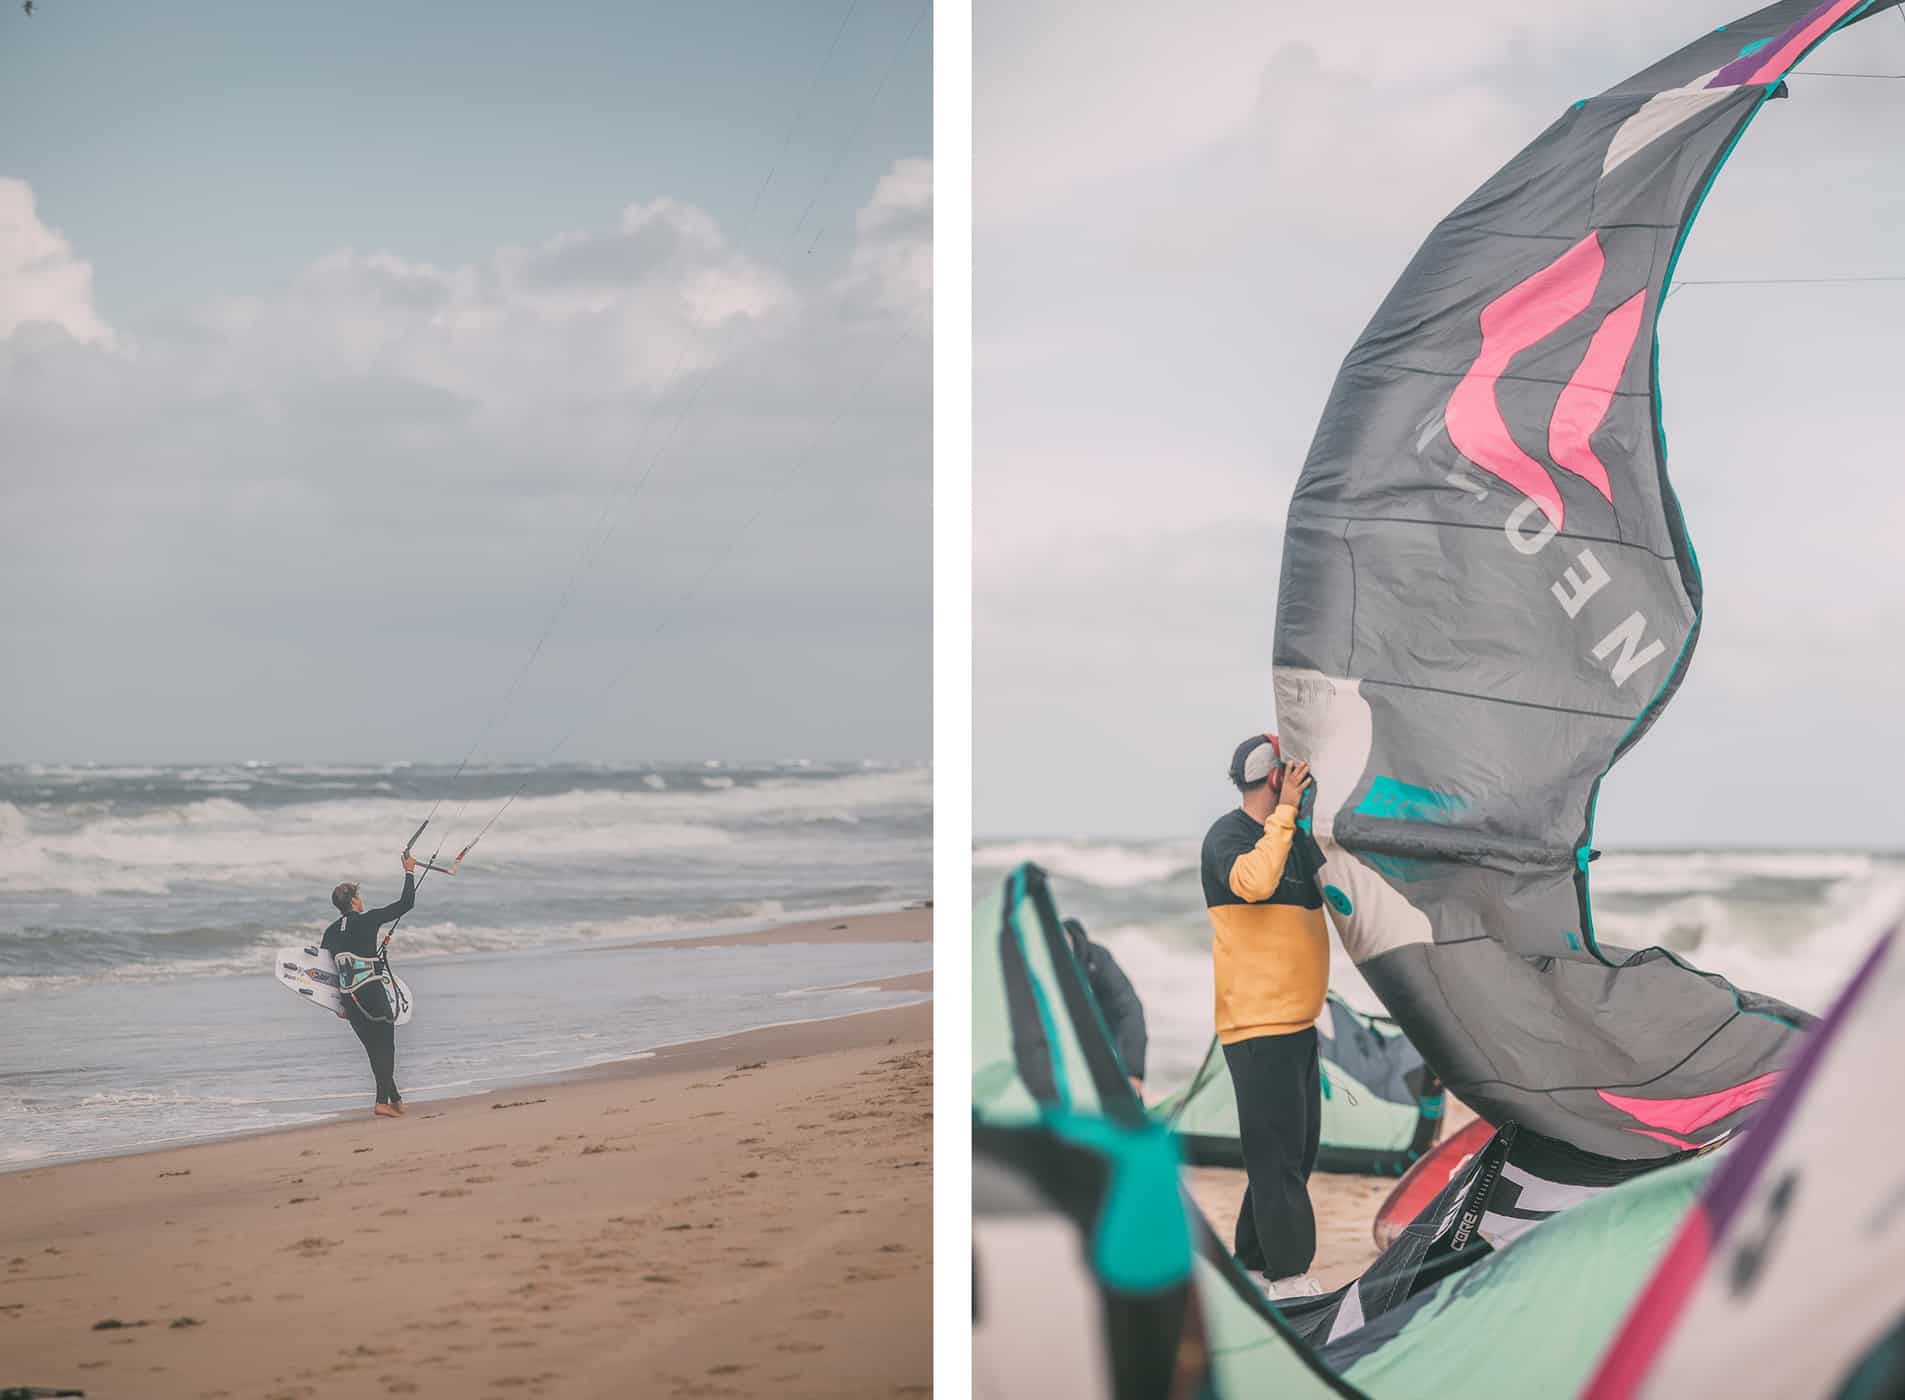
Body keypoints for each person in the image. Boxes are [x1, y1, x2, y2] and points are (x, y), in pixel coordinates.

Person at [1200, 733, 1328, 1299]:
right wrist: (1285, 817)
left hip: (1298, 1023)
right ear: (1276, 778)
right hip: (1257, 1025)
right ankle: (1291, 1279)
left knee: (1290, 1156)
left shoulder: (1291, 837)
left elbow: (1335, 890)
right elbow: (1253, 884)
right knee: (1277, 1160)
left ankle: (1251, 1266)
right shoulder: (1228, 837)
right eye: (1292, 773)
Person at [321, 852, 417, 1119]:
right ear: (354, 901)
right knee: (386, 1046)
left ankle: (394, 1098)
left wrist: (337, 1005)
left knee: (374, 1048)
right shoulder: (368, 919)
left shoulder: (329, 932)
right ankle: (380, 1102)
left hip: (349, 998)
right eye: (358, 897)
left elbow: (329, 971)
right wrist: (409, 871)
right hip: (371, 992)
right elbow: (406, 903)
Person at [1062, 917, 1149, 1098]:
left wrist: (1132, 1073)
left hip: (1100, 1053)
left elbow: (1128, 1011)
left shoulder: (1096, 958)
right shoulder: (1033, 961)